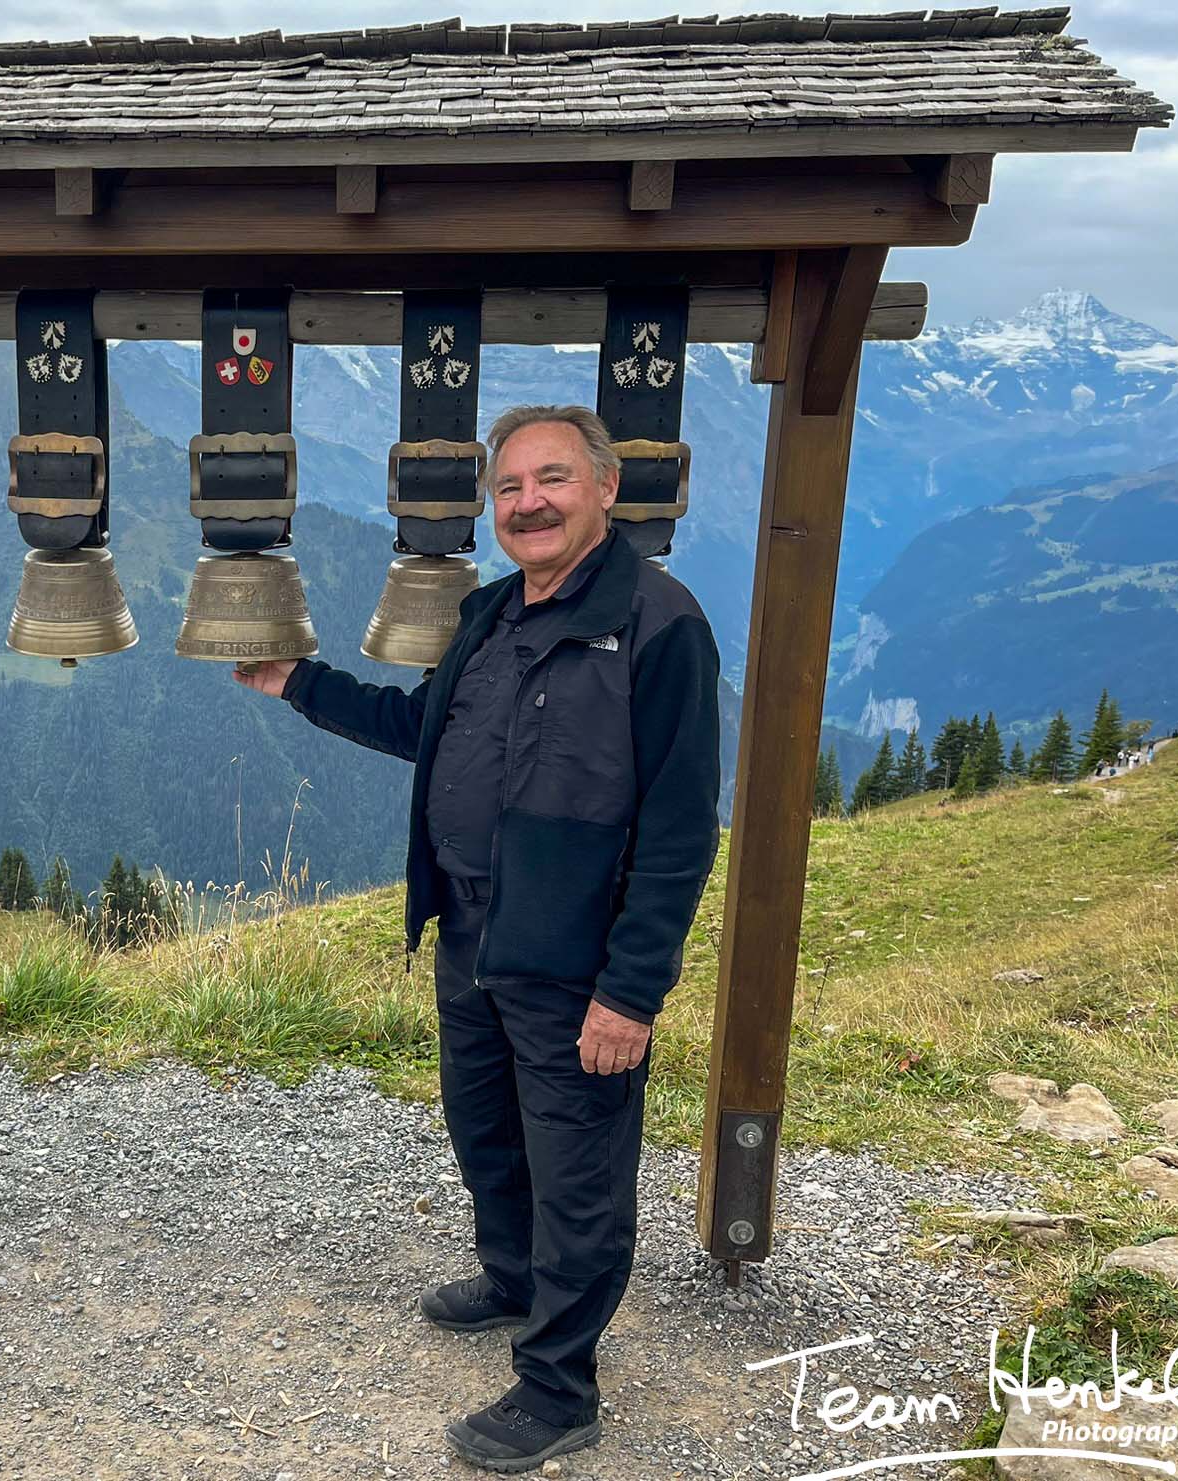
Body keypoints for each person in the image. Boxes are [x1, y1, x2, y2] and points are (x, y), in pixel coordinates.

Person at [235, 404, 722, 1471]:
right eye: (509, 487)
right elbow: (426, 729)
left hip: (575, 962)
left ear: (605, 488)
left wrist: (630, 992)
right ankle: (512, 1277)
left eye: (552, 479)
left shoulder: (658, 624)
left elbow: (682, 828)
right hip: (468, 932)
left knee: (578, 1172)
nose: (527, 503)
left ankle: (558, 1388)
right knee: (486, 1132)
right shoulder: (491, 612)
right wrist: (297, 682)